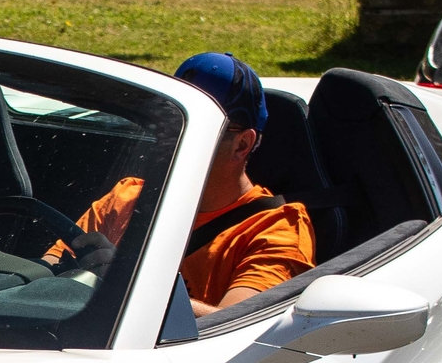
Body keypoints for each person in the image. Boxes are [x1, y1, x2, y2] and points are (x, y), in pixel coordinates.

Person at [48, 52, 312, 312]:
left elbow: (236, 328)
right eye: (166, 124)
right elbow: (50, 264)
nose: (171, 138)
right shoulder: (127, 195)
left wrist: (128, 281)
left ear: (242, 144)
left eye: (192, 128)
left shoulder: (275, 230)